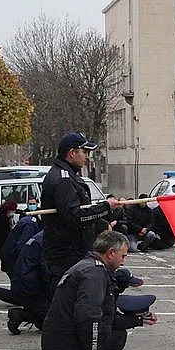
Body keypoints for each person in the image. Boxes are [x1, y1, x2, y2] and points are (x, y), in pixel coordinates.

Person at [31, 231, 137, 350]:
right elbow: (89, 318)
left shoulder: (90, 267)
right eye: (123, 256)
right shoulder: (94, 274)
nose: (123, 262)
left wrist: (138, 320)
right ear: (111, 252)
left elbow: (107, 319)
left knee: (118, 335)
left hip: (62, 342)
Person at [41, 131, 121, 305]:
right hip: (66, 255)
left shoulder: (69, 175)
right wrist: (105, 207)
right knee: (66, 304)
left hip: (73, 251)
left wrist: (103, 215)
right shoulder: (63, 179)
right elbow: (74, 216)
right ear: (72, 153)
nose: (87, 157)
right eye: (84, 152)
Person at [0, 231, 51, 333]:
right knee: (55, 316)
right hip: (27, 281)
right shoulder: (41, 235)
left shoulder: (40, 234)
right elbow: (45, 270)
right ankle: (22, 314)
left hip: (23, 275)